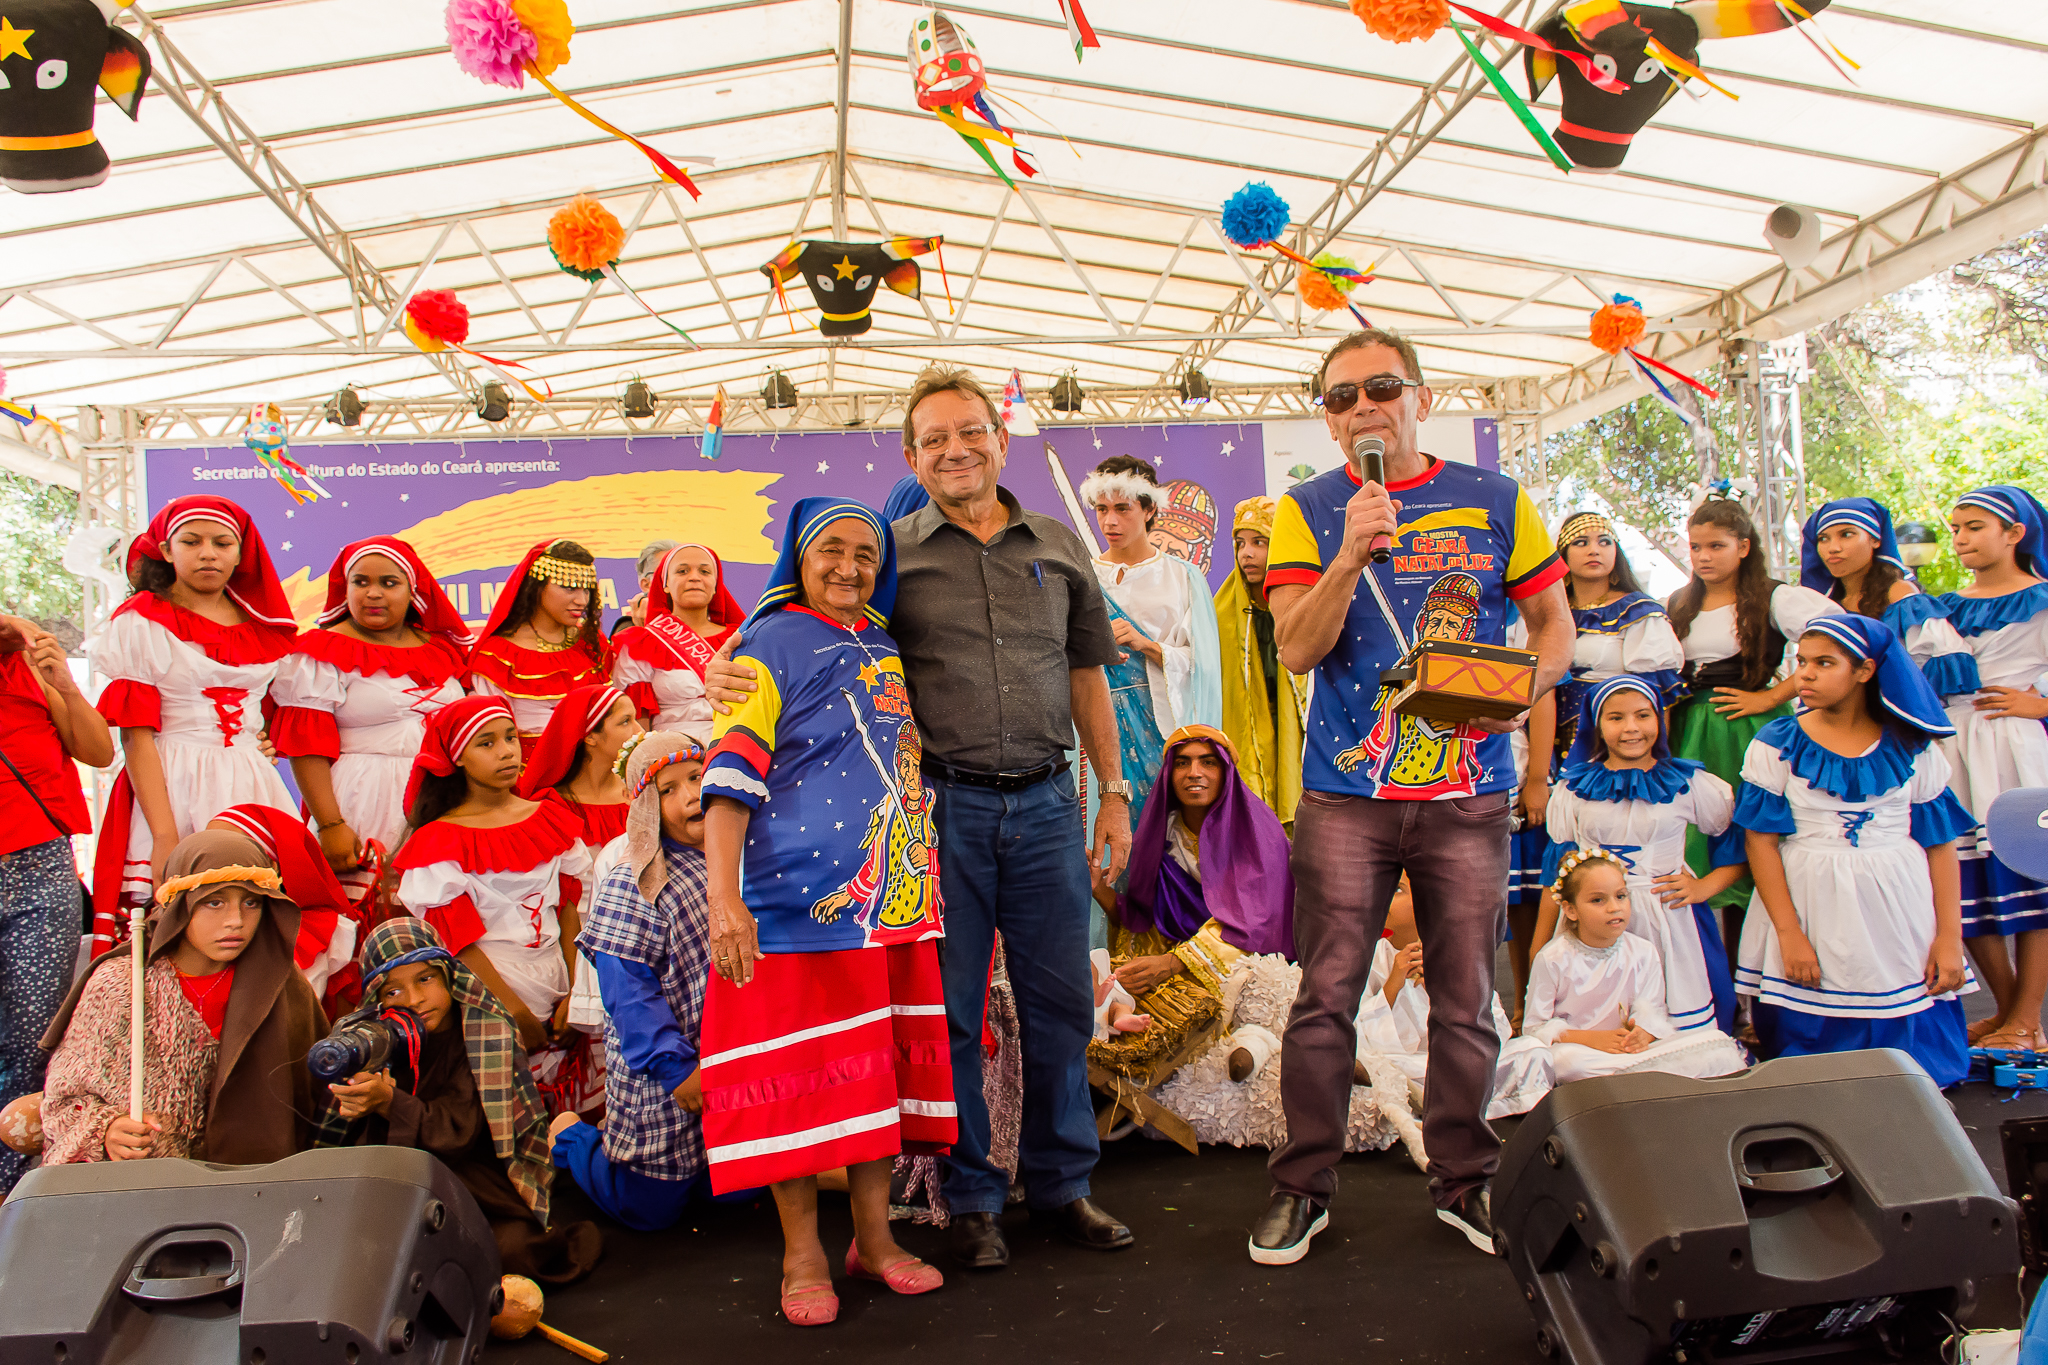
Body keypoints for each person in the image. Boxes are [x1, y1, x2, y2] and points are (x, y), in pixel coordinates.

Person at [705, 366, 1137, 1271]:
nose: (955, 449)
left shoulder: (1060, 544)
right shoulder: (887, 555)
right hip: (942, 811)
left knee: (1062, 1004)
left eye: (970, 431)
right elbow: (805, 621)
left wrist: (1114, 790)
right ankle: (972, 1198)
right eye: (934, 438)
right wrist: (726, 665)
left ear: (1000, 440)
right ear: (911, 455)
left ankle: (1064, 1186)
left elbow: (1088, 672)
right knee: (954, 1014)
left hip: (1050, 804)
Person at [1252, 327, 1573, 1265]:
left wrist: (1517, 693)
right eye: (1341, 396)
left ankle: (1466, 1178)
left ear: (1422, 398)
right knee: (1326, 995)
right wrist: (1350, 554)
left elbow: (1554, 624)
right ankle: (1302, 1186)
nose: (1363, 407)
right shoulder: (1308, 508)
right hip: (1346, 794)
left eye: (1382, 387)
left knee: (1466, 994)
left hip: (1469, 792)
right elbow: (1296, 648)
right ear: (1327, 419)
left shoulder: (1497, 498)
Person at [701, 498, 952, 1326]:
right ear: (798, 559)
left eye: (865, 555)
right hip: (790, 911)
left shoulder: (883, 641)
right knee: (795, 1086)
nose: (849, 567)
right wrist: (725, 899)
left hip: (887, 909)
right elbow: (729, 775)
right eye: (831, 551)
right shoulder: (767, 644)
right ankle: (802, 1253)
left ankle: (874, 1239)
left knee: (873, 1080)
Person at [1733, 616, 1975, 1087]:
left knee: (1908, 1037)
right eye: (1802, 661)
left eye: (1824, 663)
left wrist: (1949, 936)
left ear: (1865, 671)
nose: (1805, 674)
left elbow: (1941, 847)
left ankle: (1910, 1082)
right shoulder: (1776, 744)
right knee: (1813, 1053)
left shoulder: (1914, 748)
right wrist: (1789, 933)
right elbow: (1760, 842)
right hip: (1810, 900)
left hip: (1899, 901)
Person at [318, 917, 601, 1284]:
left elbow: (458, 1133)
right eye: (393, 991)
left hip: (477, 1181)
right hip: (396, 1181)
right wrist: (358, 1098)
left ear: (448, 976)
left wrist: (389, 1102)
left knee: (511, 1251)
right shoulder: (377, 1042)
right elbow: (351, 1133)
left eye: (425, 979)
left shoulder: (484, 1034)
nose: (414, 999)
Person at [88, 495, 299, 957]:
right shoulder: (141, 620)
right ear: (165, 550)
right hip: (171, 779)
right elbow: (136, 736)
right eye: (192, 541)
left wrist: (257, 740)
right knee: (176, 922)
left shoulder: (261, 624)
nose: (208, 553)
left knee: (256, 916)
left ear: (241, 554)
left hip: (250, 782)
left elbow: (270, 711)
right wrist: (165, 835)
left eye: (222, 543)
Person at [554, 732, 746, 1229]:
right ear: (645, 807)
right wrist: (675, 1068)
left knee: (732, 1190)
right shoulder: (635, 882)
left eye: (696, 777)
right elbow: (628, 994)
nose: (690, 796)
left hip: (726, 1054)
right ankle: (573, 1138)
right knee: (649, 1209)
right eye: (668, 789)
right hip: (664, 1069)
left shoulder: (734, 860)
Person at [40, 829, 324, 1163]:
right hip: (144, 1176)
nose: (235, 921)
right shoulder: (122, 983)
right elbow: (65, 1098)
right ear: (180, 905)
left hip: (253, 1178)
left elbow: (318, 1091)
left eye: (251, 903)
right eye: (214, 902)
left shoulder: (281, 982)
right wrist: (108, 1130)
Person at [394, 697, 601, 1118]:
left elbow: (568, 910)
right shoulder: (439, 840)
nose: (507, 751)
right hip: (490, 989)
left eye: (510, 737)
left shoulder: (549, 816)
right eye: (486, 743)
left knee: (575, 1102)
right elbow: (459, 940)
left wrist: (576, 990)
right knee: (509, 1108)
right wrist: (511, 1010)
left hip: (560, 975)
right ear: (456, 758)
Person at [1666, 499, 1840, 974]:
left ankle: (1764, 970)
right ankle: (1709, 982)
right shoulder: (1678, 603)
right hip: (1690, 731)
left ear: (1743, 547)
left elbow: (1837, 641)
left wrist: (1770, 696)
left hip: (1749, 731)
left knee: (1754, 833)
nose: (1704, 556)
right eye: (1696, 547)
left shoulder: (1776, 598)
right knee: (1698, 841)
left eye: (1716, 546)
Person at [1086, 726, 1293, 1097]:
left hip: (1243, 972)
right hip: (1177, 977)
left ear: (1226, 771)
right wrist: (1097, 887)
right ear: (1169, 773)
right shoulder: (1163, 835)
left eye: (1207, 762)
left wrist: (1172, 963)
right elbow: (1145, 922)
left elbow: (1256, 924)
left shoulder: (1258, 832)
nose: (1194, 773)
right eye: (1182, 763)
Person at [1534, 676, 1746, 1034]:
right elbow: (1557, 874)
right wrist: (1539, 950)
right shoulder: (1574, 789)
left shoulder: (1688, 783)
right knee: (1600, 1020)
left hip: (1668, 916)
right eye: (1616, 717)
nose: (1631, 727)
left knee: (1676, 1015)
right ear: (1597, 724)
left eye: (1643, 715)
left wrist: (1704, 887)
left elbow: (1737, 844)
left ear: (1658, 719)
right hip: (1593, 918)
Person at [269, 537, 472, 903]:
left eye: (389, 583)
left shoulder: (441, 648)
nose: (373, 593)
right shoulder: (320, 653)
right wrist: (331, 825)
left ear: (413, 590)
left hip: (443, 799)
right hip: (363, 798)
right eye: (360, 582)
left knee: (436, 909)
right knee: (368, 910)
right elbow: (307, 749)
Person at [0, 613, 113, 1192]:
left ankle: (16, 1189)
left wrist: (64, 683)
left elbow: (99, 751)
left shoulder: (25, 666)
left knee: (32, 1038)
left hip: (39, 866)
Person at [1937, 486, 2048, 1049]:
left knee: (2031, 877)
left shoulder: (2043, 599)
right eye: (1956, 528)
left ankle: (2027, 1017)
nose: (1960, 539)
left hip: (2014, 750)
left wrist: (2042, 704)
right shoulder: (1943, 606)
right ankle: (2007, 1013)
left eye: (1975, 526)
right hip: (1955, 748)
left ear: (2014, 533)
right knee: (1966, 882)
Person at [1079, 456, 1223, 826]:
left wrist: (1147, 645)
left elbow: (1205, 667)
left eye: (1122, 509)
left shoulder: (1182, 578)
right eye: (1102, 509)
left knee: (1165, 833)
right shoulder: (1082, 578)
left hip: (1161, 725)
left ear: (1149, 510)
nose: (1110, 522)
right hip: (1096, 721)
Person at [1523, 849, 1748, 1083]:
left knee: (1716, 1043)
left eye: (1621, 896)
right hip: (1582, 1052)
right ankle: (1643, 1080)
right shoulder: (1552, 958)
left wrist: (1643, 1034)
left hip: (1630, 1053)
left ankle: (1629, 1080)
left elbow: (1652, 1009)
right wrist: (1593, 1040)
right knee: (1563, 1061)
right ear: (1570, 910)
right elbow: (1534, 1027)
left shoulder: (1643, 951)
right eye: (1598, 900)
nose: (1614, 907)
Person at [1357, 888, 1553, 1118]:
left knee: (1533, 1051)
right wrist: (1393, 984)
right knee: (1386, 1072)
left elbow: (1496, 1029)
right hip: (1411, 1063)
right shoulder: (1370, 957)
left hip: (1458, 1057)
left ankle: (1448, 1105)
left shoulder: (1459, 954)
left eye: (1398, 889)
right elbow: (1360, 1035)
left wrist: (1442, 989)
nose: (1385, 895)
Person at [1543, 510, 1684, 765]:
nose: (1594, 550)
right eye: (1581, 542)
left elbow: (1657, 696)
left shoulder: (1639, 611)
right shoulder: (1550, 612)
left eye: (1604, 542)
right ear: (1563, 554)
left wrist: (1653, 762)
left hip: (1618, 741)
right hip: (1551, 739)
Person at [1802, 497, 1979, 697]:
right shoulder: (1826, 605)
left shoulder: (1899, 593)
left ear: (1875, 539)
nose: (1833, 547)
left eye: (1847, 534)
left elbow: (1943, 657)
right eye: (1823, 538)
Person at [208, 803, 368, 1014]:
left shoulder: (313, 933)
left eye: (230, 850)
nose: (213, 860)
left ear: (271, 865)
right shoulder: (198, 927)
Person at [468, 539, 611, 759]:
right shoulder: (497, 655)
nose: (582, 600)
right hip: (526, 773)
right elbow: (490, 737)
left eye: (587, 590)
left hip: (595, 770)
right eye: (569, 587)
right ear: (537, 587)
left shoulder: (592, 643)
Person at [1215, 496, 1309, 827]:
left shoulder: (1306, 602)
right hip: (1248, 732)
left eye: (1259, 542)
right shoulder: (1222, 609)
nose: (1247, 554)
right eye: (1240, 544)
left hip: (1295, 729)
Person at [613, 543, 744, 737]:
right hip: (670, 749)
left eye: (705, 571)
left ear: (716, 584)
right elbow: (636, 728)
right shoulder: (641, 643)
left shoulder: (742, 639)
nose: (694, 577)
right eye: (682, 571)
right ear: (665, 583)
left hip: (735, 744)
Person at [515, 683, 643, 850]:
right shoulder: (553, 809)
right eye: (625, 721)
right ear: (590, 736)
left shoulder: (642, 792)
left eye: (635, 719)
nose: (640, 731)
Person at [627, 538, 680, 629]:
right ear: (646, 584)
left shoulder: (704, 623)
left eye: (682, 571)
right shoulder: (627, 629)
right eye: (666, 573)